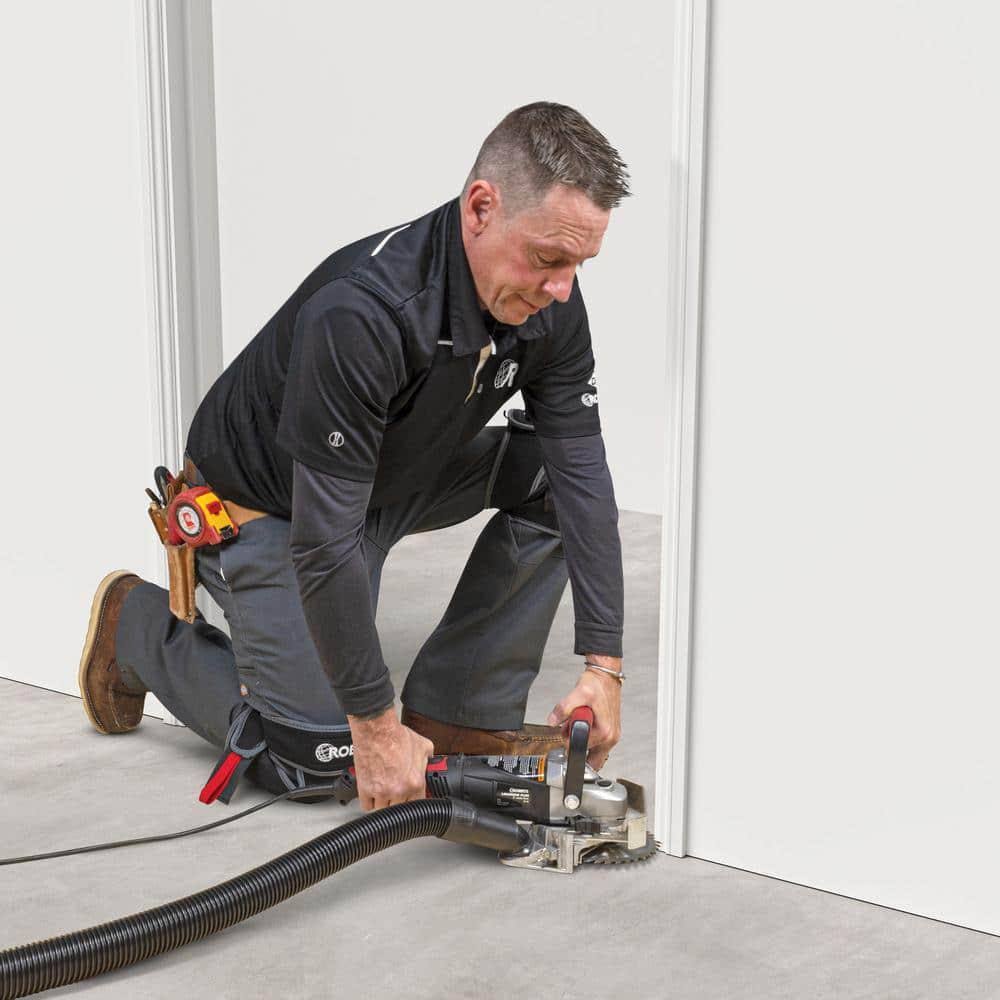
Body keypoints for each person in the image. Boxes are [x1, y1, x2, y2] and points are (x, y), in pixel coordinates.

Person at [78, 101, 631, 812]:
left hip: (393, 476)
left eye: (580, 264)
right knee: (318, 762)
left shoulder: (550, 302)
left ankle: (458, 710)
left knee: (552, 480)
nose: (562, 287)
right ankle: (138, 626)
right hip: (275, 507)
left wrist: (604, 666)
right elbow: (322, 540)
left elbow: (584, 475)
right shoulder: (365, 311)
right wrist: (373, 727)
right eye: (549, 258)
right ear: (481, 208)